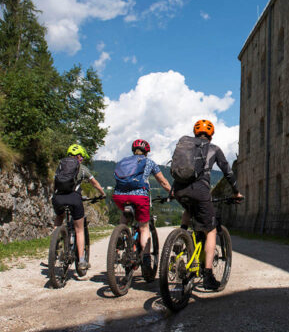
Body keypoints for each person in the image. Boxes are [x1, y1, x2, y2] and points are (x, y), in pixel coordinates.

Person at [173, 119, 243, 290]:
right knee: (211, 230)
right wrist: (236, 192)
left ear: (195, 133)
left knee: (189, 208)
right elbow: (227, 171)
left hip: (179, 189)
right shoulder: (214, 149)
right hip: (200, 190)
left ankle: (181, 236)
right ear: (211, 134)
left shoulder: (186, 145)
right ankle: (208, 275)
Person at [112, 139, 171, 276]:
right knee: (144, 228)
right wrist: (172, 193)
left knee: (124, 219)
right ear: (147, 151)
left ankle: (118, 242)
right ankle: (145, 260)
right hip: (139, 197)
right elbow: (162, 181)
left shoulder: (122, 161)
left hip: (119, 196)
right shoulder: (149, 162)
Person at [52, 144, 105, 275]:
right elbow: (95, 183)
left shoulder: (60, 166)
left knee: (59, 218)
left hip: (58, 198)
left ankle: (54, 247)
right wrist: (102, 193)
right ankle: (81, 261)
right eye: (82, 157)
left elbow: (54, 181)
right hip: (74, 199)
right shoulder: (82, 169)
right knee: (79, 229)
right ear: (79, 156)